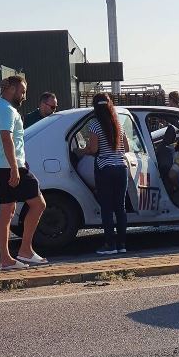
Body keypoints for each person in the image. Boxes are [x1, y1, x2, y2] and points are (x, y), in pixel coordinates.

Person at [0, 76, 47, 269]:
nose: (24, 96)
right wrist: (15, 168)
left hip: (0, 165)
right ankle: (25, 250)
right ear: (12, 89)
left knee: (7, 211)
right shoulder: (7, 110)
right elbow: (6, 138)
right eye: (22, 91)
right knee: (39, 204)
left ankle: (6, 258)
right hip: (12, 167)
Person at [75, 93, 130, 255]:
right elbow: (126, 148)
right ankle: (122, 245)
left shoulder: (94, 124)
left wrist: (80, 151)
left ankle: (109, 245)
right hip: (121, 168)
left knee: (107, 208)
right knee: (120, 207)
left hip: (105, 168)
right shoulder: (118, 123)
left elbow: (93, 149)